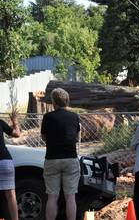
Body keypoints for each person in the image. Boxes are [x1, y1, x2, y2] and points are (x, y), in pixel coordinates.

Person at [41, 88, 81, 220]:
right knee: (70, 196)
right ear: (67, 101)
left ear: (54, 102)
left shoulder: (47, 117)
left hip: (52, 158)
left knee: (52, 196)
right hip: (70, 158)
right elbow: (76, 137)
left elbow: (43, 137)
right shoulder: (74, 117)